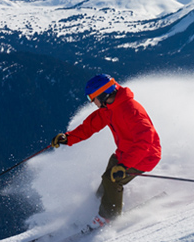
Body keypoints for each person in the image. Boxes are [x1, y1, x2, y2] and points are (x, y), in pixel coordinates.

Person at [51, 74, 161, 229]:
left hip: (145, 155)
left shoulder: (131, 110)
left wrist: (125, 165)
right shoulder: (109, 109)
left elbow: (145, 140)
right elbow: (89, 126)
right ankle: (99, 207)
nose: (92, 102)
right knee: (106, 181)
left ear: (104, 95)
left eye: (92, 98)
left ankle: (108, 218)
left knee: (112, 179)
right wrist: (68, 138)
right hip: (124, 152)